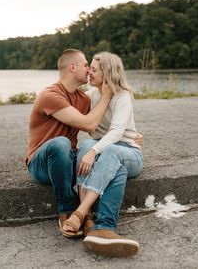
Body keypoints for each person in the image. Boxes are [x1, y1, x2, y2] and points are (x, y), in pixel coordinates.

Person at [62, 52, 144, 257]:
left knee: (107, 150)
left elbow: (117, 132)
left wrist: (93, 151)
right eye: (89, 67)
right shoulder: (91, 95)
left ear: (107, 73)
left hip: (129, 152)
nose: (89, 71)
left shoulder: (123, 96)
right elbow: (75, 117)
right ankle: (100, 226)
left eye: (94, 69)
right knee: (87, 145)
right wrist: (89, 149)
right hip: (108, 154)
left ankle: (81, 211)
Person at [26, 49, 113, 235]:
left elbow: (95, 127)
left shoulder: (83, 98)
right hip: (41, 163)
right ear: (72, 67)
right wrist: (106, 96)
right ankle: (67, 208)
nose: (89, 70)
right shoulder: (50, 95)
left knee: (90, 149)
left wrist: (129, 136)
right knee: (61, 143)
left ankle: (86, 213)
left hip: (67, 160)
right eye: (85, 65)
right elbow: (88, 122)